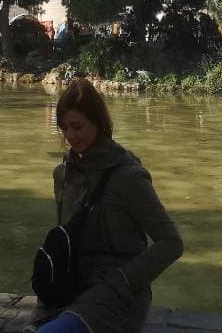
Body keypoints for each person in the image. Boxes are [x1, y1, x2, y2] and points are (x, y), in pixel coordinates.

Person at [30, 77, 183, 333]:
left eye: (77, 126)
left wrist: (122, 280)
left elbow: (172, 243)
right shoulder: (63, 174)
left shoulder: (129, 176)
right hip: (70, 288)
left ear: (98, 122)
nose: (70, 136)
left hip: (117, 295)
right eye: (64, 127)